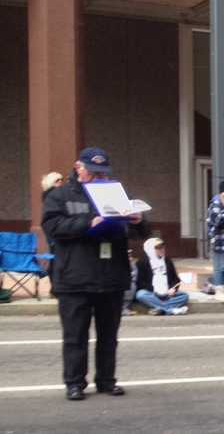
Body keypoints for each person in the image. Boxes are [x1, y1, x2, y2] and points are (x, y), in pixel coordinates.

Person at [42, 147, 148, 401]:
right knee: (75, 336)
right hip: (75, 277)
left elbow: (142, 231)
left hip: (111, 275)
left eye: (103, 173)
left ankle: (106, 381)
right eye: (93, 172)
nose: (99, 177)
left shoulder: (116, 192)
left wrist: (137, 221)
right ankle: (75, 383)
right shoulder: (60, 195)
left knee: (108, 336)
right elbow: (52, 226)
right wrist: (89, 223)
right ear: (79, 167)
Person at [134, 237, 189, 315]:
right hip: (152, 293)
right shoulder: (142, 262)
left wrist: (173, 289)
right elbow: (140, 282)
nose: (162, 249)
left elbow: (175, 279)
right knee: (140, 295)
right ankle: (171, 310)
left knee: (184, 296)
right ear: (150, 249)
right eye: (158, 248)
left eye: (163, 247)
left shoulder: (167, 260)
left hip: (167, 293)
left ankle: (160, 309)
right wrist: (155, 290)